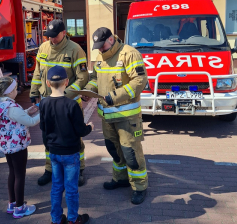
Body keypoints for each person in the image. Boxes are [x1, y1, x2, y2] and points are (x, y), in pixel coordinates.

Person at [84, 27, 148, 205]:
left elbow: (139, 81)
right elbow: (95, 79)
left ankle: (139, 187)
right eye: (97, 47)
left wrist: (115, 96)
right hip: (107, 117)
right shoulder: (100, 57)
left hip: (127, 117)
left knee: (131, 153)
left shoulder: (130, 54)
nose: (100, 50)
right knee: (115, 151)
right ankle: (120, 179)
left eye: (102, 46)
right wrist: (88, 90)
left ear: (111, 39)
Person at [30, 19, 89, 187]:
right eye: (49, 36)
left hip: (69, 104)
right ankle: (50, 169)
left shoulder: (76, 50)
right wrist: (34, 92)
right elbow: (37, 72)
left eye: (55, 36)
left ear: (64, 33)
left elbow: (82, 77)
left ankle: (80, 168)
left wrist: (66, 94)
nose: (51, 39)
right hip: (47, 103)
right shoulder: (43, 48)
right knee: (48, 136)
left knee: (74, 137)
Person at [39, 66, 93, 224]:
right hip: (70, 153)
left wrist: (48, 146)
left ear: (48, 83)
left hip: (53, 152)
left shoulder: (44, 104)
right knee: (71, 188)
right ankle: (73, 219)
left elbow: (43, 129)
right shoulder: (72, 105)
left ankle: (55, 219)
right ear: (67, 82)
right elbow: (80, 131)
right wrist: (90, 127)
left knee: (56, 187)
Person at [0, 77, 39, 218]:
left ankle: (12, 203)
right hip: (18, 146)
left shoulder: (0, 105)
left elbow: (14, 118)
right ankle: (20, 208)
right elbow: (30, 122)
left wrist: (27, 111)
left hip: (7, 146)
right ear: (9, 92)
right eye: (15, 89)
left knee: (12, 173)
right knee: (20, 175)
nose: (17, 91)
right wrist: (42, 114)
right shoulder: (11, 107)